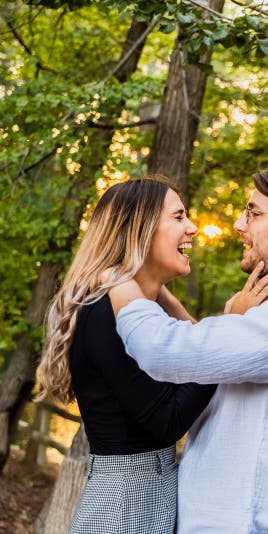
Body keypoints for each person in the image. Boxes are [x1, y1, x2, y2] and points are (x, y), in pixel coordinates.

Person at [107, 159, 268, 533]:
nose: (238, 224)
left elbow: (159, 351)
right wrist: (165, 296)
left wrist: (117, 280)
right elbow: (210, 359)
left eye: (253, 213)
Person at [35, 178, 221, 533]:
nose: (192, 228)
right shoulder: (102, 313)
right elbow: (168, 420)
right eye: (178, 217)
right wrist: (226, 343)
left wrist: (169, 302)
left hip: (148, 497)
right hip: (122, 507)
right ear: (140, 230)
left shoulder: (145, 314)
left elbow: (190, 359)